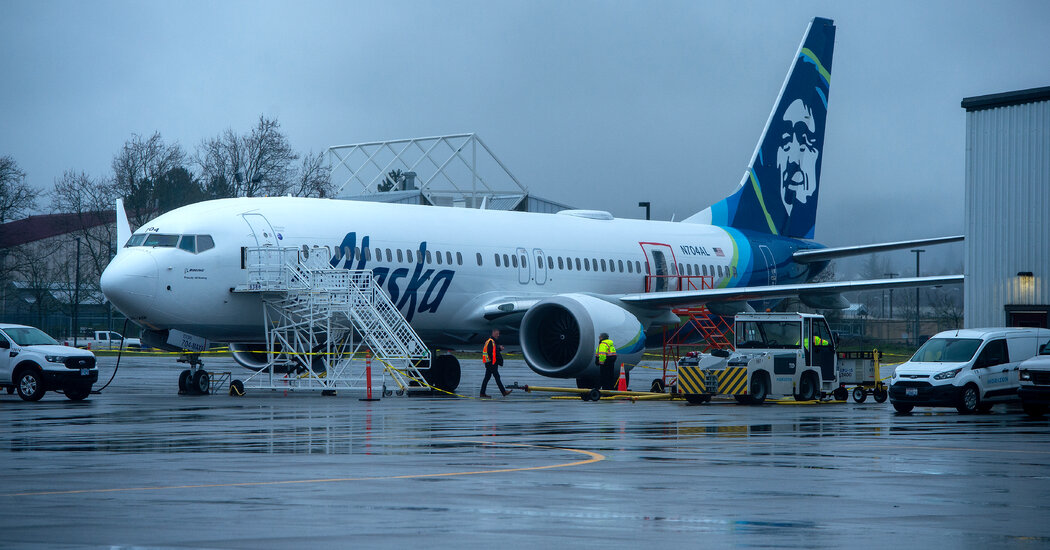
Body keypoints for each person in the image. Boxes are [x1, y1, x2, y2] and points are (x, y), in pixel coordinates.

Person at [480, 329, 511, 398]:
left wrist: (499, 349)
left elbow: (493, 351)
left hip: (489, 363)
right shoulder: (491, 341)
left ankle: (482, 393)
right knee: (497, 377)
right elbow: (490, 353)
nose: (498, 335)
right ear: (493, 333)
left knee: (487, 378)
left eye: (498, 334)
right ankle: (503, 392)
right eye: (497, 334)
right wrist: (494, 362)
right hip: (491, 363)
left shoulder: (491, 341)